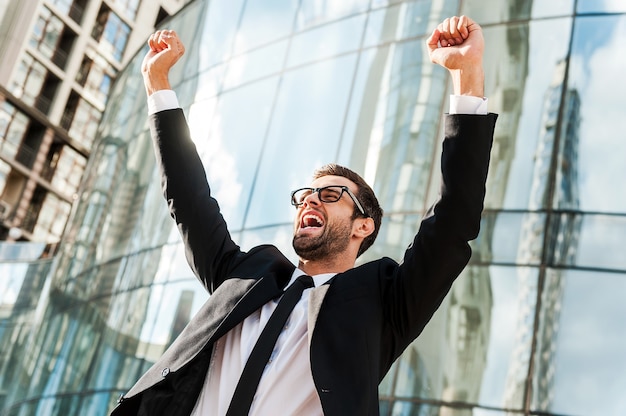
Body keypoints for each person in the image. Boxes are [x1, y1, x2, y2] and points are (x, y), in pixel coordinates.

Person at [112, 15, 497, 416]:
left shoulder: (385, 306)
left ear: (363, 226)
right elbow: (188, 200)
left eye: (330, 195)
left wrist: (467, 75)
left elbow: (453, 223)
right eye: (306, 196)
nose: (311, 202)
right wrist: (158, 85)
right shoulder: (245, 276)